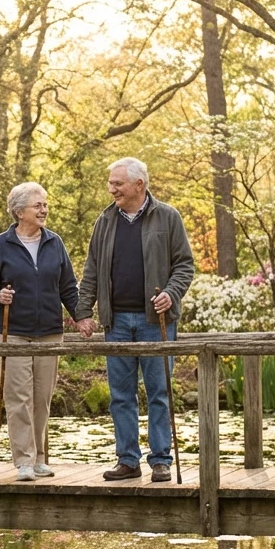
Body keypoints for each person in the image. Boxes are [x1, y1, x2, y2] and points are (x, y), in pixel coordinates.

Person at [74, 158, 195, 482]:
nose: (111, 189)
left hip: (156, 322)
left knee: (159, 393)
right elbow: (91, 270)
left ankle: (161, 460)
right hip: (115, 323)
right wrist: (83, 312)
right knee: (121, 396)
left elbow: (185, 265)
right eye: (111, 183)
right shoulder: (105, 221)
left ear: (139, 184)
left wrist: (171, 293)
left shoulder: (167, 217)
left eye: (118, 183)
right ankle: (128, 460)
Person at [0, 182, 81, 482]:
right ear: (20, 211)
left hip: (49, 332)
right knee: (18, 398)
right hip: (12, 332)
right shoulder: (1, 244)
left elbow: (68, 287)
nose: (44, 209)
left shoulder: (55, 242)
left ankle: (39, 459)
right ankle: (24, 461)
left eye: (45, 204)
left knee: (41, 398)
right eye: (38, 205)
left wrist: (82, 317)